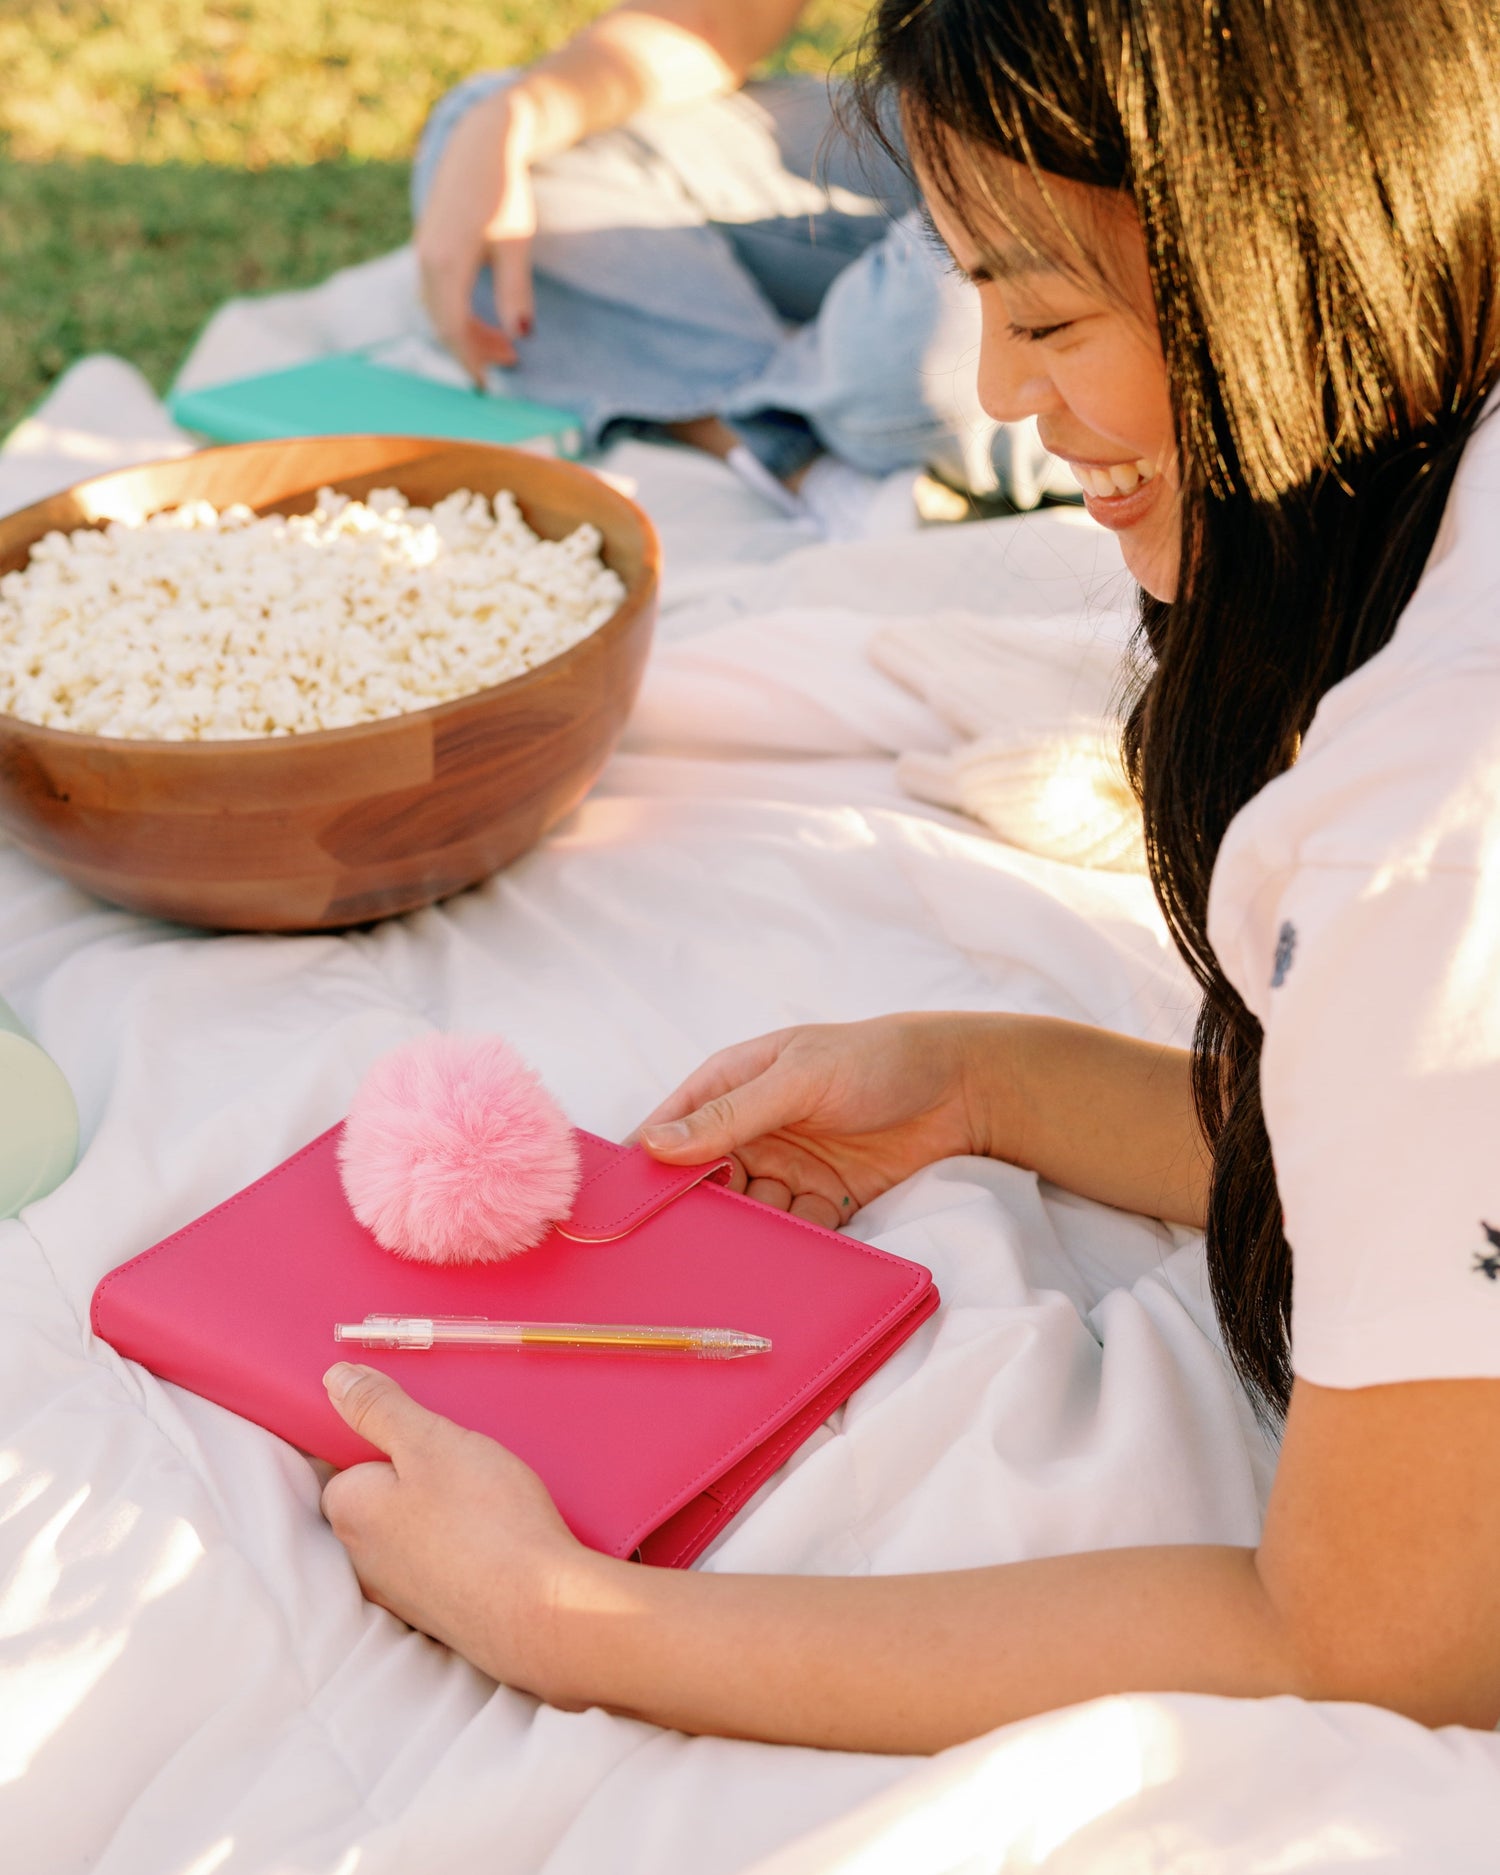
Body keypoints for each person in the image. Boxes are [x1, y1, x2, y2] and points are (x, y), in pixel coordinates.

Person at [320, 0, 1500, 1752]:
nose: (1013, 401)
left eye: (1044, 316)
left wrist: (563, 1615)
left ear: (1291, 267)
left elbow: (1377, 1638)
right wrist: (984, 1080)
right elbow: (1420, 1163)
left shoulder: (1423, 830)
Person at [410, 0, 1075, 521]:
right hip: (942, 128)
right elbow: (717, 15)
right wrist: (521, 115)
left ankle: (779, 400)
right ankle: (787, 446)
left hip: (1121, 183)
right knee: (489, 140)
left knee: (933, 354)